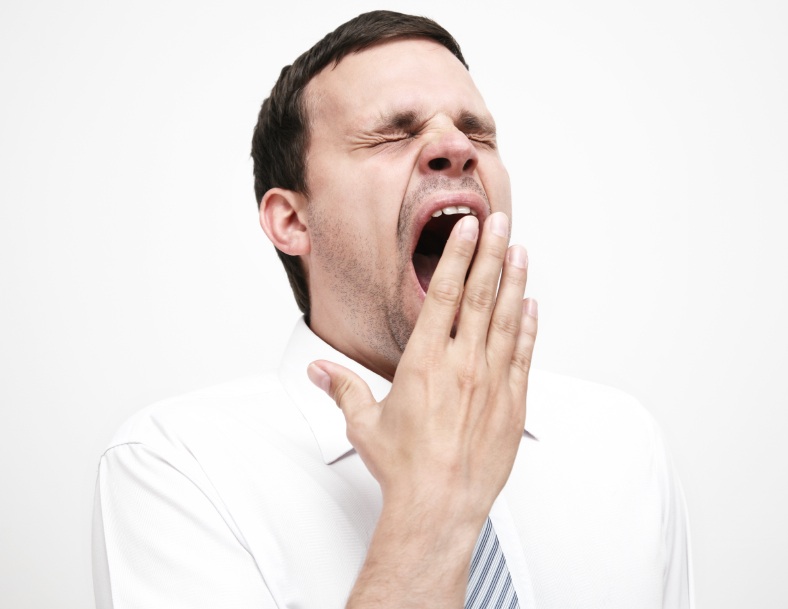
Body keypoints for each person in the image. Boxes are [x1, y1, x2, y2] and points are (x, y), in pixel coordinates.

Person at [92, 10, 693, 609]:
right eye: (392, 134)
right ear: (293, 221)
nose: (456, 148)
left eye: (478, 133)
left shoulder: (622, 441)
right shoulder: (177, 466)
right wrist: (433, 505)